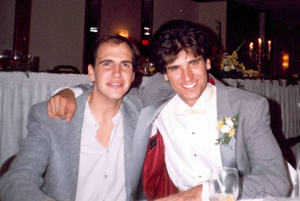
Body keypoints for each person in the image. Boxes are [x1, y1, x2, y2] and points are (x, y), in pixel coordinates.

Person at [46, 20, 290, 200]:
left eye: (193, 63)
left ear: (207, 62)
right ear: (163, 75)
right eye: (175, 68)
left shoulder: (248, 107)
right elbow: (111, 87)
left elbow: (277, 181)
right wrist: (72, 91)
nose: (187, 77)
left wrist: (203, 192)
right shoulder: (154, 101)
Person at [0, 34, 142, 201]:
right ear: (91, 72)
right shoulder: (53, 117)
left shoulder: (141, 114)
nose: (117, 73)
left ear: (133, 76)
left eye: (125, 65)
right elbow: (16, 180)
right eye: (107, 63)